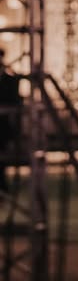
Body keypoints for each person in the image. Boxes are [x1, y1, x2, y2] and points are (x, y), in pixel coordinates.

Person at [0, 49, 21, 192]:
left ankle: (2, 187)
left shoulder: (11, 80)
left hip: (3, 127)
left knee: (1, 158)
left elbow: (15, 103)